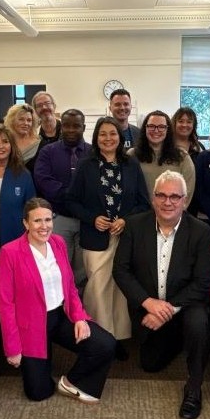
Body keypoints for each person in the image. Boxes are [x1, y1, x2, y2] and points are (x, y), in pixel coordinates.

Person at [113, 171, 210, 419]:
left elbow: (203, 282)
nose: (168, 202)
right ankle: (178, 338)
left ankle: (194, 387)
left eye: (174, 197)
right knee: (150, 364)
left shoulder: (200, 231)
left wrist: (166, 310)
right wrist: (148, 304)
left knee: (198, 323)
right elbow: (121, 270)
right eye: (162, 196)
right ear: (153, 198)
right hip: (149, 306)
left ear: (185, 200)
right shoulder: (135, 226)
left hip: (186, 305)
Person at [0, 198, 116, 402]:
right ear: (25, 223)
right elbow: (5, 304)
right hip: (31, 325)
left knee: (105, 344)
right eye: (37, 221)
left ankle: (71, 381)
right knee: (38, 393)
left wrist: (79, 317)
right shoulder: (10, 252)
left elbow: (69, 286)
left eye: (48, 219)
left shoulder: (58, 243)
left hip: (61, 316)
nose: (44, 226)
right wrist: (13, 348)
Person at [66, 117, 150, 350]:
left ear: (120, 137)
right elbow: (71, 201)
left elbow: (144, 203)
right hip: (95, 237)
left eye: (112, 133)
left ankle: (120, 336)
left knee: (120, 287)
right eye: (103, 134)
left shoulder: (131, 165)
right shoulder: (86, 165)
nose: (108, 138)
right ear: (96, 138)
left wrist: (125, 220)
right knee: (98, 287)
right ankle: (100, 337)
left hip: (124, 236)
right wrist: (92, 218)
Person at [33, 109, 90, 288]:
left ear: (84, 127)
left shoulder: (93, 152)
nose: (71, 130)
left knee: (83, 271)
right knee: (58, 266)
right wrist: (73, 196)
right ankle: (62, 307)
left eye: (76, 126)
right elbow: (43, 180)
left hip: (85, 221)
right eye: (66, 125)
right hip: (59, 218)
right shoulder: (48, 152)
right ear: (60, 126)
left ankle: (80, 308)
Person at [128, 110, 195, 209]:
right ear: (145, 129)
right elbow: (127, 190)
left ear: (168, 130)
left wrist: (172, 214)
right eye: (151, 126)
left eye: (161, 127)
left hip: (171, 215)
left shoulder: (182, 157)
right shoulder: (132, 155)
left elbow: (187, 192)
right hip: (139, 216)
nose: (156, 130)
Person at [3, 103, 40, 171]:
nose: (26, 123)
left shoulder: (40, 144)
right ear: (12, 120)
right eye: (21, 119)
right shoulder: (4, 142)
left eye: (29, 120)